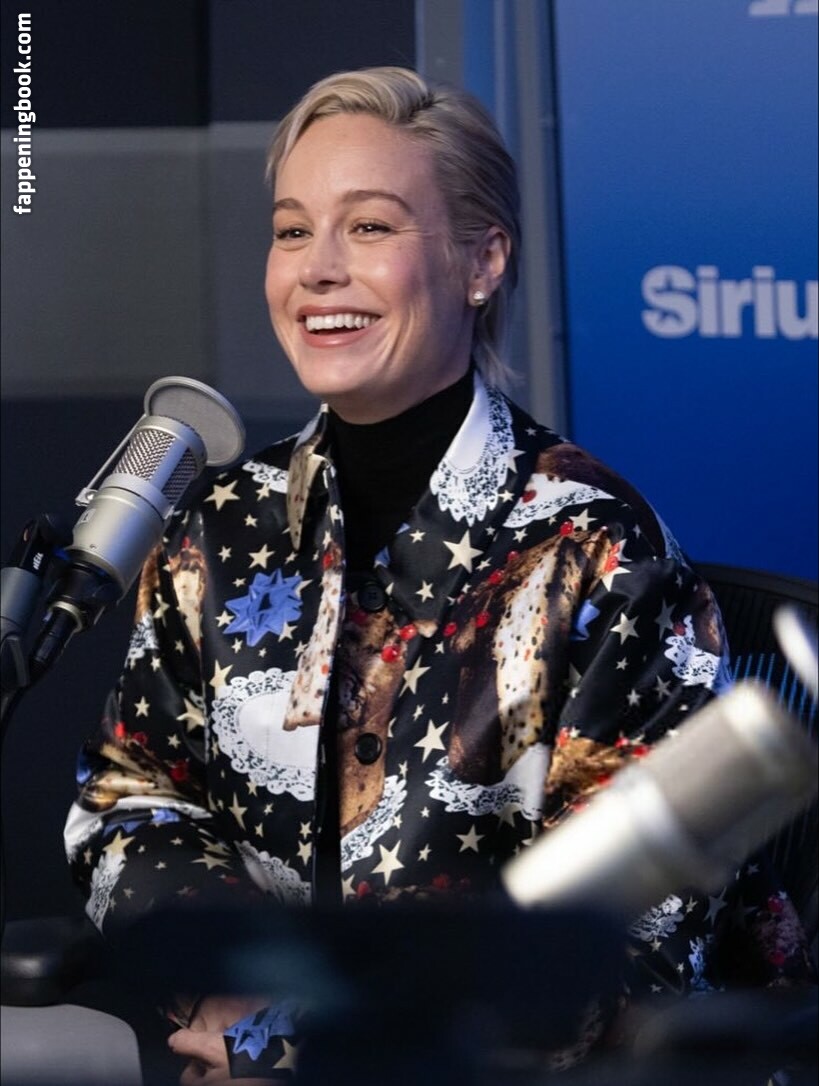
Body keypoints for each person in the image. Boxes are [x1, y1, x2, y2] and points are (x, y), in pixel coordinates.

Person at [64, 67, 812, 1083]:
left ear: (481, 261)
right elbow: (130, 797)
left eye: (369, 227)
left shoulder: (601, 550)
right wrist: (236, 998)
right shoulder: (218, 525)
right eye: (292, 231)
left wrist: (289, 1041)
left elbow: (628, 944)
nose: (318, 269)